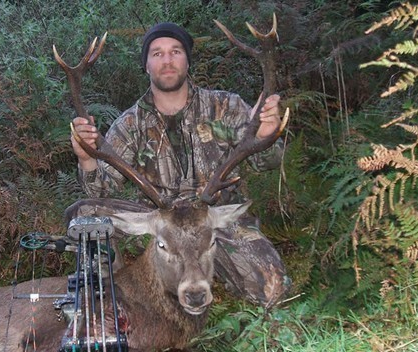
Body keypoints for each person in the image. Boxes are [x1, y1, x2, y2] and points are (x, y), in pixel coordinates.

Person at [66, 22, 291, 307]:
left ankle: (216, 267)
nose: (167, 60)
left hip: (213, 220)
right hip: (159, 221)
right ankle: (110, 301)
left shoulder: (227, 106)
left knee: (273, 288)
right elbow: (100, 190)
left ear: (187, 60)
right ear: (146, 65)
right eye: (157, 54)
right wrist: (86, 158)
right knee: (87, 214)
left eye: (175, 51)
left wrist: (265, 134)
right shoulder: (129, 124)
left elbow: (267, 162)